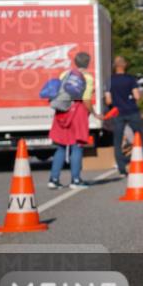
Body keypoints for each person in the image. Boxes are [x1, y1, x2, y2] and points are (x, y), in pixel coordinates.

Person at [48, 52, 103, 188]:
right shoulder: (87, 78)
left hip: (62, 112)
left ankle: (53, 180)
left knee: (61, 146)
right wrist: (95, 113)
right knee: (77, 146)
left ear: (75, 62)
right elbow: (86, 100)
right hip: (78, 112)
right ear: (88, 63)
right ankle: (76, 180)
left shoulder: (64, 74)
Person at [105, 56, 143, 177]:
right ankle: (139, 162)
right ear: (125, 65)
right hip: (132, 111)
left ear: (115, 66)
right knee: (140, 137)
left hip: (117, 113)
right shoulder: (131, 79)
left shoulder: (109, 81)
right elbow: (137, 96)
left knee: (118, 141)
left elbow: (108, 100)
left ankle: (122, 170)